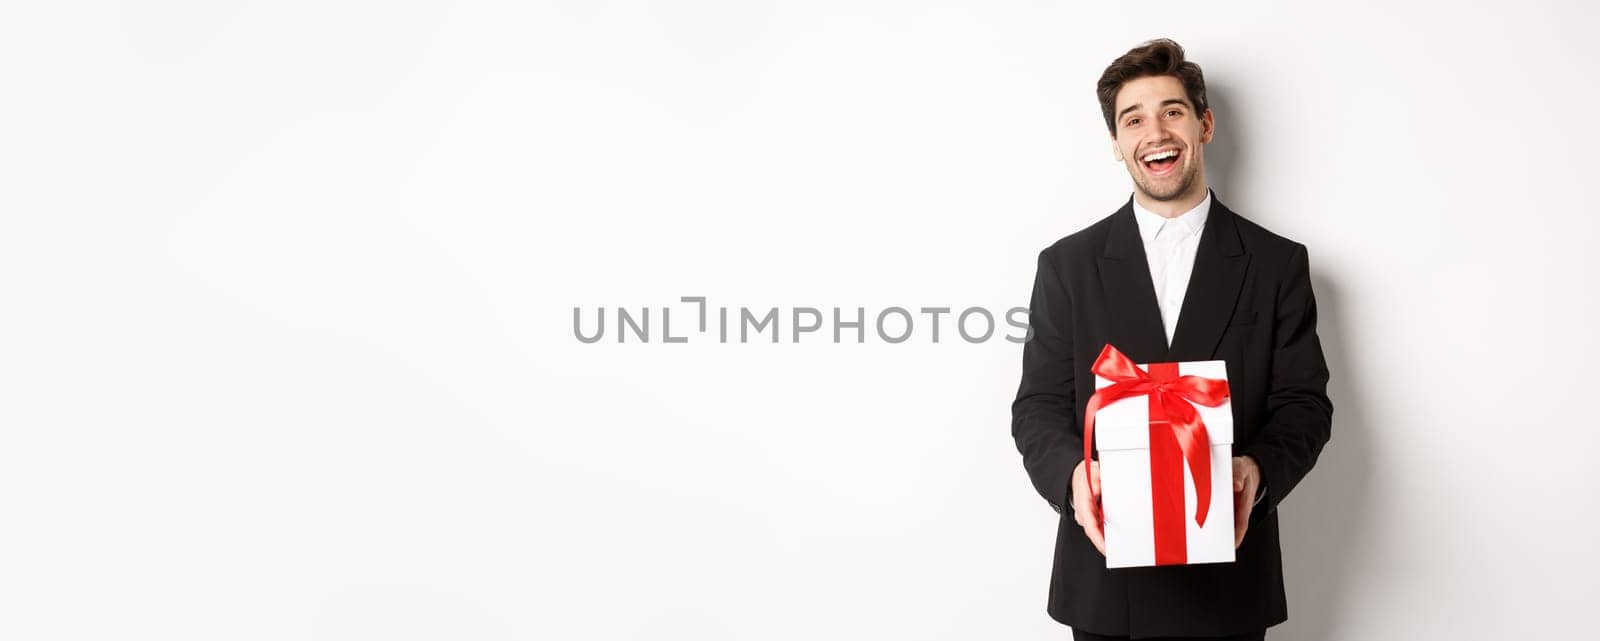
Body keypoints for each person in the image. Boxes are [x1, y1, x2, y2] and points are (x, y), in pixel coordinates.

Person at [1010, 38, 1333, 640]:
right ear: (1116, 144)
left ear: (1204, 125)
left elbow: (1305, 406)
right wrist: (1073, 477)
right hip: (1106, 587)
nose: (1154, 131)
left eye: (1172, 111)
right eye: (1133, 119)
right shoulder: (1067, 266)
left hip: (1229, 584)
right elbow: (1038, 407)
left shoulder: (1276, 263)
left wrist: (1255, 471)